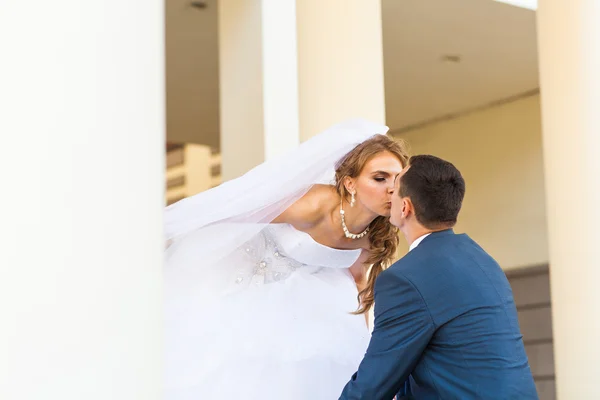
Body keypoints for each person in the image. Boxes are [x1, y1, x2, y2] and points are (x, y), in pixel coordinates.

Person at [164, 119, 409, 399]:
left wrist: (363, 344)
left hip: (306, 292)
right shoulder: (315, 204)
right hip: (243, 275)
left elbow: (357, 280)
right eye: (380, 178)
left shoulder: (377, 231)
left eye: (397, 180)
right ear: (350, 183)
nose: (392, 188)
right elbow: (235, 213)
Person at [339, 155, 538, 400]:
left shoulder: (403, 279)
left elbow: (373, 385)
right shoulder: (482, 259)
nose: (390, 191)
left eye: (396, 186)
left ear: (405, 208)